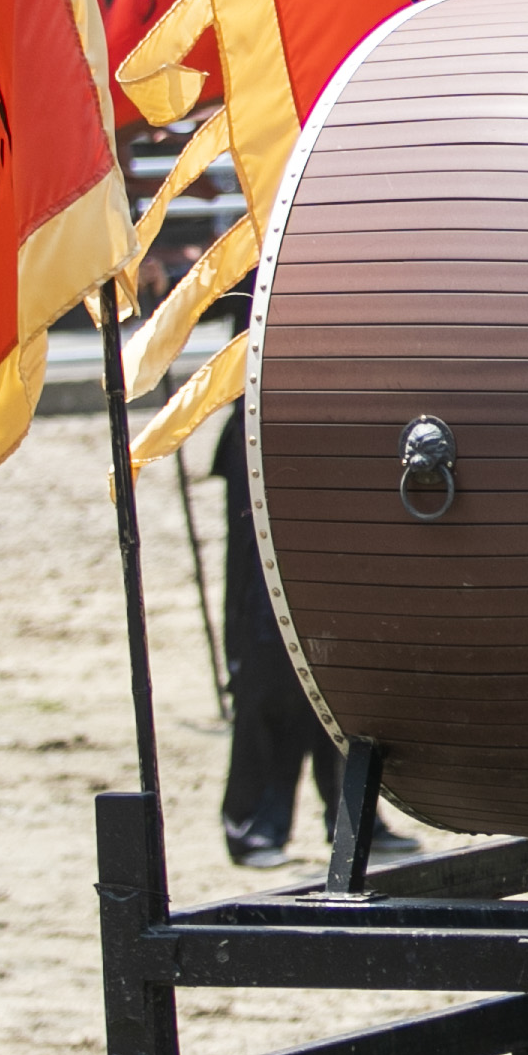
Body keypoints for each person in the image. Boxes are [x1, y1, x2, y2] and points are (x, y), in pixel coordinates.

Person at [206, 289, 411, 874]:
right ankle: (255, 821)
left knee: (342, 649)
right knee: (269, 648)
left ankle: (353, 815)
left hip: (337, 421)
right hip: (268, 422)